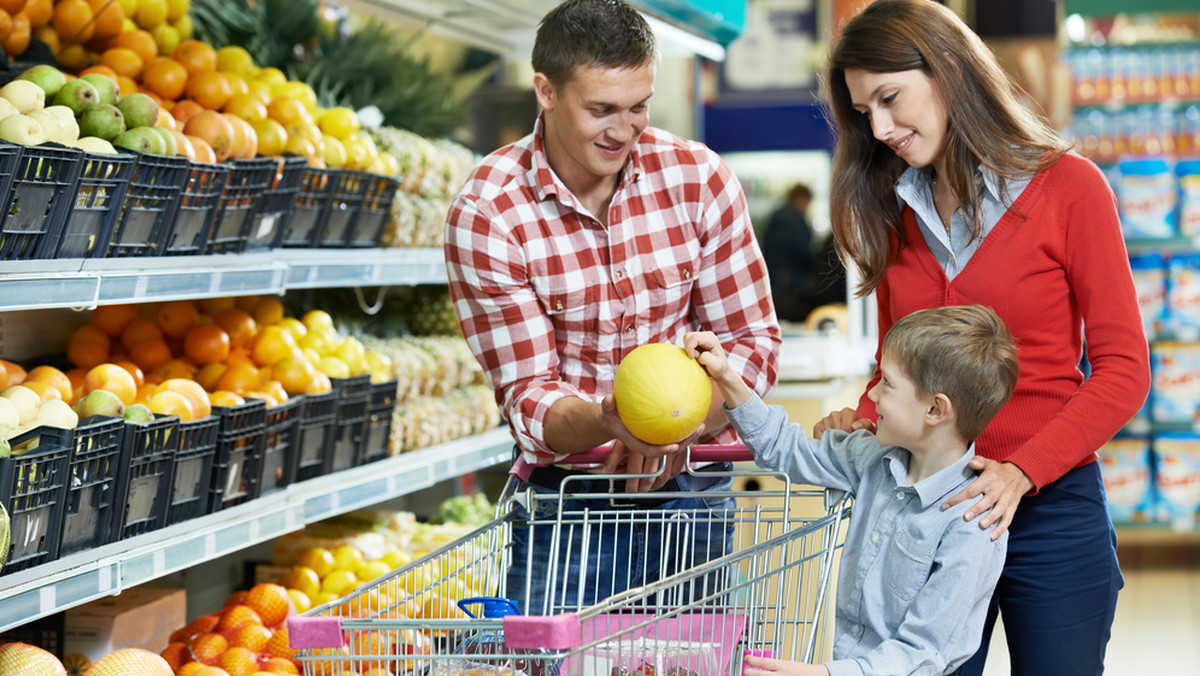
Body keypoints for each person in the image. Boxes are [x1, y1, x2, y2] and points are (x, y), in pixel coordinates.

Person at [813, 1, 1151, 673]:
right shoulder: (892, 212)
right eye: (863, 112)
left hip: (1050, 511)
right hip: (925, 516)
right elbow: (899, 368)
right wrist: (869, 418)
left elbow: (1124, 368)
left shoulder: (1069, 189)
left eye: (890, 98)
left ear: (949, 71)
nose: (879, 128)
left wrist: (1023, 471)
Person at [443, 0, 780, 615]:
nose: (623, 131)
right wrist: (612, 420)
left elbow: (753, 342)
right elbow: (528, 396)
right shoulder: (489, 212)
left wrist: (675, 424)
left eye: (638, 108)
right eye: (601, 109)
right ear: (545, 90)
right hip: (570, 506)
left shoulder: (697, 178)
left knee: (690, 661)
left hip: (693, 498)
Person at [687, 304, 1018, 676]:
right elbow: (782, 445)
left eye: (888, 383)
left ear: (935, 410)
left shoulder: (973, 523)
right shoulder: (871, 458)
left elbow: (922, 652)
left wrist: (822, 674)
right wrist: (725, 375)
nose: (872, 395)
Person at [763, 184, 816, 322]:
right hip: (793, 283)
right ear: (801, 199)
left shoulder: (776, 215)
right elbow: (802, 250)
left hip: (775, 281)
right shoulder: (795, 220)